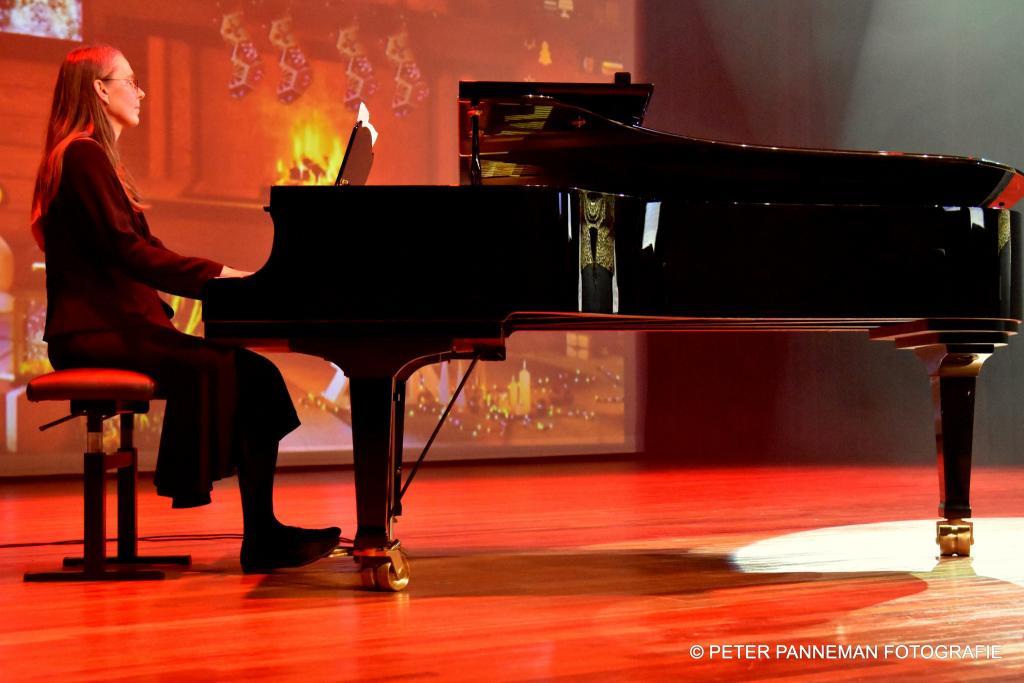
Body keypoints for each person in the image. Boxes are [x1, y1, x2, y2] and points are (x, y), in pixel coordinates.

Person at [30, 44, 340, 573]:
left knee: (256, 374)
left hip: (113, 327)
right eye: (130, 80)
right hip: (95, 333)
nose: (141, 91)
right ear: (100, 89)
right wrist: (219, 276)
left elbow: (137, 249)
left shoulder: (91, 157)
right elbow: (128, 251)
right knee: (245, 372)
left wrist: (221, 276)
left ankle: (262, 533)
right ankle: (261, 536)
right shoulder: (82, 156)